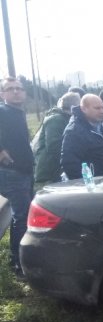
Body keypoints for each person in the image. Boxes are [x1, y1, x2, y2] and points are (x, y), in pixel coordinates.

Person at [0, 78, 33, 277]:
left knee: (22, 214)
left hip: (24, 170)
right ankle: (17, 261)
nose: (15, 92)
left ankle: (19, 257)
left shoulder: (18, 113)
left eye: (19, 89)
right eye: (10, 89)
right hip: (13, 172)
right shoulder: (3, 111)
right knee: (21, 216)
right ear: (2, 94)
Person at [61, 94, 103, 179]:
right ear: (84, 109)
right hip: (91, 184)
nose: (102, 111)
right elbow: (70, 163)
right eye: (97, 108)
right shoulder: (74, 131)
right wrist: (86, 183)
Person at [34, 92, 80, 186]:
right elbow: (54, 146)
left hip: (56, 173)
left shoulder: (65, 119)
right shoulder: (56, 120)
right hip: (49, 175)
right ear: (74, 106)